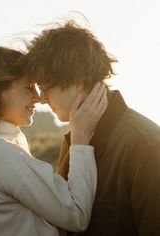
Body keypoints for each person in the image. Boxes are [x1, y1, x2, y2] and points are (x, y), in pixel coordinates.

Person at [0, 46, 107, 236]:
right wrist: (80, 136)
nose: (38, 98)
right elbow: (76, 215)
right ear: (0, 91)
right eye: (29, 87)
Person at [25, 20, 160, 236]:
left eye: (45, 87)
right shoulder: (76, 138)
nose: (41, 99)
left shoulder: (146, 146)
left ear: (77, 81)